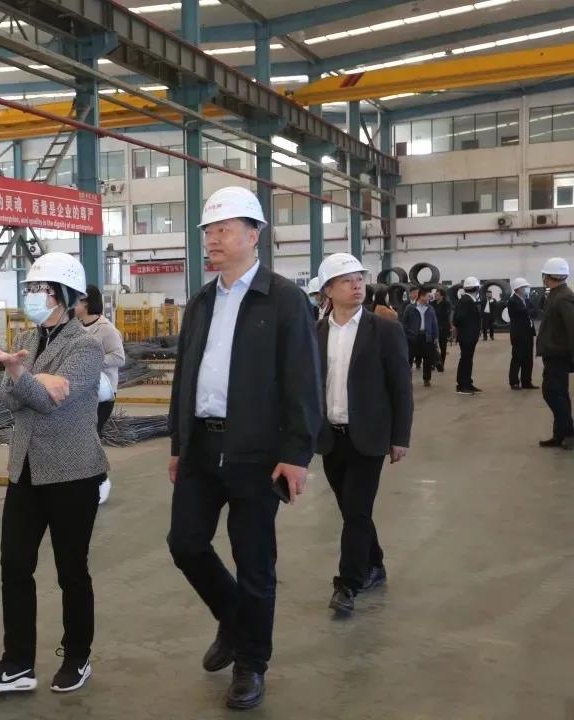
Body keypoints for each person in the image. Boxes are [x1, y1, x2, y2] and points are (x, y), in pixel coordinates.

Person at [165, 187, 321, 711]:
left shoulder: (284, 299)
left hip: (257, 451)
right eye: (209, 231)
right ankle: (235, 619)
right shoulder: (200, 302)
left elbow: (303, 380)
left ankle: (251, 664)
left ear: (254, 235)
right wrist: (178, 442)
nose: (213, 239)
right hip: (201, 445)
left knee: (255, 562)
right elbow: (184, 377)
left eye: (224, 229)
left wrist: (297, 453)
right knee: (186, 543)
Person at [0, 252, 108, 695]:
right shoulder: (27, 337)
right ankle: (17, 664)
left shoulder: (85, 345)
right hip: (25, 470)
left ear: (65, 296)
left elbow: (52, 401)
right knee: (14, 565)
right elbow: (10, 400)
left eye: (41, 290)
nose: (32, 296)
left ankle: (77, 657)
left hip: (73, 473)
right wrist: (28, 378)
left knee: (71, 570)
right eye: (29, 288)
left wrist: (20, 373)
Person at [314, 254, 413, 617]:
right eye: (346, 280)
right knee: (351, 510)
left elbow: (400, 387)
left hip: (369, 436)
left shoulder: (384, 330)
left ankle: (348, 584)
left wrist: (400, 436)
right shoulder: (316, 333)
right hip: (331, 437)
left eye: (359, 279)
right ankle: (375, 563)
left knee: (356, 511)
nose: (357, 285)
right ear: (328, 290)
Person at [75, 285, 126, 505]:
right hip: (79, 393)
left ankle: (101, 480)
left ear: (86, 303)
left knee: (91, 436)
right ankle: (85, 481)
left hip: (102, 395)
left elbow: (119, 358)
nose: (73, 305)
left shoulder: (106, 329)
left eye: (76, 301)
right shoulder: (76, 327)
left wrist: (94, 361)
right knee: (81, 438)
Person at [535, 258, 574, 449]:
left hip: (559, 354)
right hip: (554, 353)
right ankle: (559, 434)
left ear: (548, 276)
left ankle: (569, 433)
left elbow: (572, 328)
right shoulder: (556, 294)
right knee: (560, 393)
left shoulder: (564, 297)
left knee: (551, 392)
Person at [401, 286, 440, 387]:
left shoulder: (430, 308)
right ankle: (407, 380)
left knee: (427, 360)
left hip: (427, 337)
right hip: (413, 337)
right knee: (409, 359)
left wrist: (436, 337)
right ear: (421, 296)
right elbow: (404, 323)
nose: (430, 298)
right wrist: (407, 334)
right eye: (428, 296)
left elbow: (434, 323)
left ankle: (427, 379)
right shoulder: (410, 308)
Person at [452, 277, 484, 395]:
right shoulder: (466, 301)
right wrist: (468, 328)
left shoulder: (468, 300)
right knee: (465, 360)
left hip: (468, 335)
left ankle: (467, 383)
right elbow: (458, 318)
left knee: (467, 360)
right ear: (476, 288)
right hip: (467, 336)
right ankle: (462, 385)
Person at [507, 278, 538, 391]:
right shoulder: (513, 301)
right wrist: (528, 311)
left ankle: (526, 381)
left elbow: (534, 311)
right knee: (517, 358)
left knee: (528, 358)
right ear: (518, 288)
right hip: (519, 334)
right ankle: (514, 382)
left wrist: (528, 310)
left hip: (528, 332)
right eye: (524, 287)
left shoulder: (526, 300)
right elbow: (523, 312)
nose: (526, 289)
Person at [431, 288, 453, 372]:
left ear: (442, 296)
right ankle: (434, 363)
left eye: (437, 295)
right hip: (433, 328)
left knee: (443, 347)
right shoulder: (432, 304)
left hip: (443, 328)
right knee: (432, 347)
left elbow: (447, 315)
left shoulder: (446, 304)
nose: (435, 296)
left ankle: (442, 363)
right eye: (435, 295)